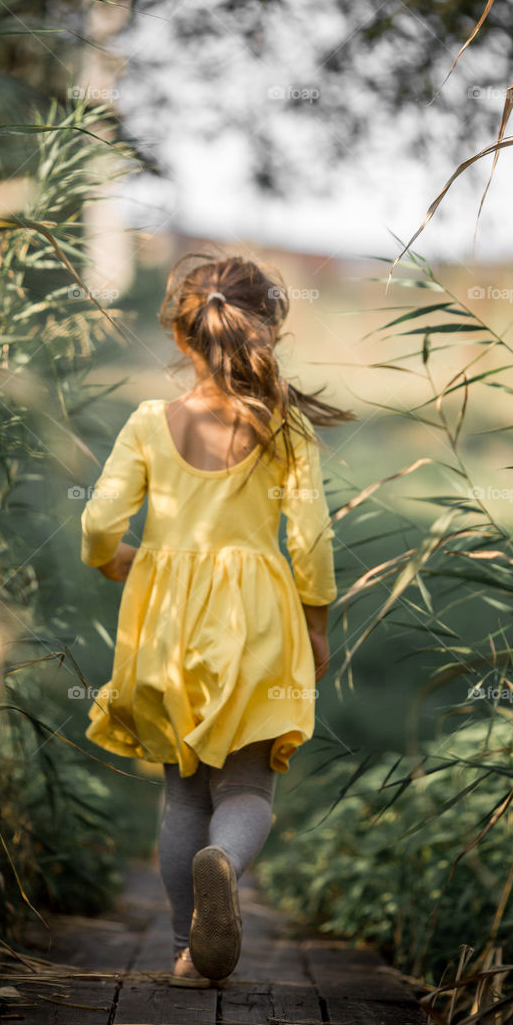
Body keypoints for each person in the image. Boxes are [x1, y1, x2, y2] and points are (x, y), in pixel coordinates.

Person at [79, 252, 354, 987]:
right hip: (258, 623)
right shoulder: (282, 427)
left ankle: (184, 949)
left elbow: (100, 520)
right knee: (246, 789)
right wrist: (317, 624)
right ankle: (225, 864)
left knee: (180, 791)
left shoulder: (148, 422)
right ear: (268, 331)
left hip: (162, 625)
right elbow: (314, 538)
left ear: (179, 335)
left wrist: (114, 559)